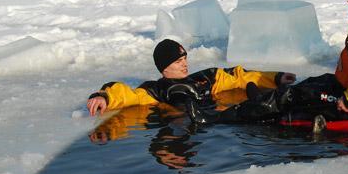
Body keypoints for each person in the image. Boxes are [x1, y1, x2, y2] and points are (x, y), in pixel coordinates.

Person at [86, 39, 296, 123]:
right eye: (178, 61)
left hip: (223, 115)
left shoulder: (205, 78)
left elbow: (240, 75)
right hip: (214, 122)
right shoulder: (156, 90)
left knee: (264, 94)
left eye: (185, 59)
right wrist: (104, 96)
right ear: (164, 66)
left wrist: (276, 77)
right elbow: (125, 93)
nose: (184, 64)